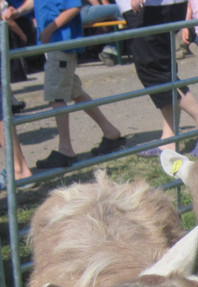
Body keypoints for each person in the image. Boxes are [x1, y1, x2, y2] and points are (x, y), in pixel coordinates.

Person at [2, 0, 127, 169]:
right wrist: (19, 11)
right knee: (75, 92)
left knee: (56, 95)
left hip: (61, 44)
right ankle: (110, 131)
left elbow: (74, 6)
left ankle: (66, 150)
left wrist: (49, 29)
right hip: (54, 44)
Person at [116, 0, 198, 157]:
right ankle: (169, 138)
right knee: (161, 68)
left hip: (149, 8)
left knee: (153, 70)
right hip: (152, 8)